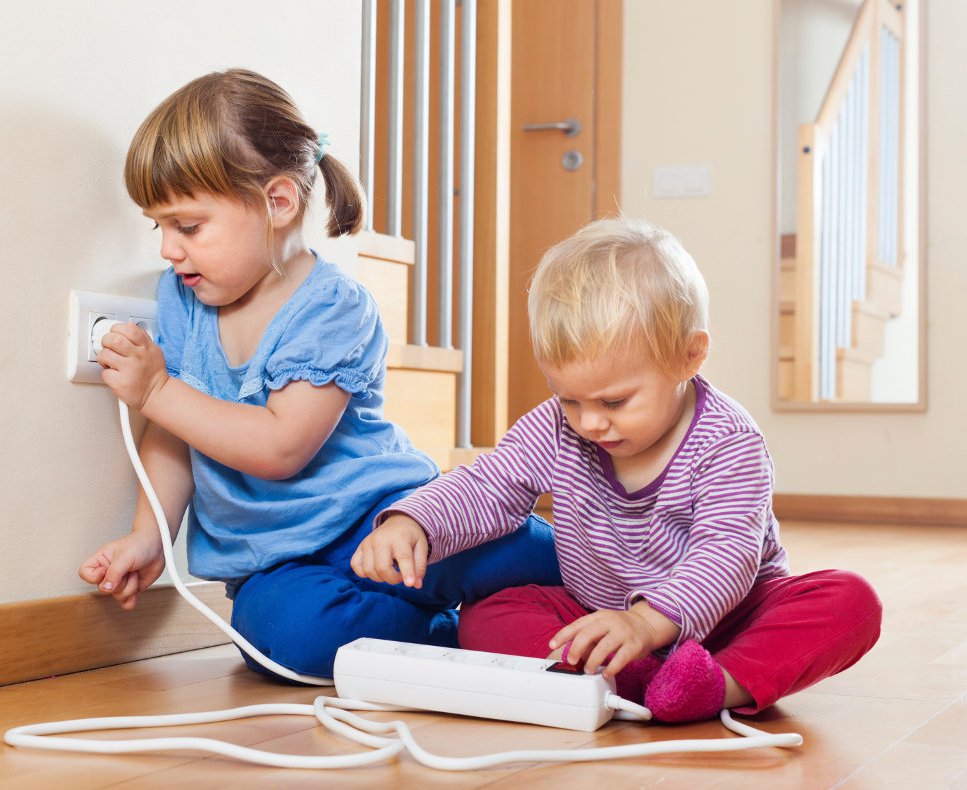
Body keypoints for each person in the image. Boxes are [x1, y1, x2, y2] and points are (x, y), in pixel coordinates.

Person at [78, 68, 560, 681]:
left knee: (530, 552)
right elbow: (176, 432)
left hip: (386, 517)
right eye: (160, 227)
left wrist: (158, 390)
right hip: (279, 561)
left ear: (278, 202)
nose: (169, 249)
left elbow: (282, 447)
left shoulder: (333, 307)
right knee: (283, 640)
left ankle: (640, 604)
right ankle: (448, 632)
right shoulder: (181, 300)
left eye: (188, 226)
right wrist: (150, 535)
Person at [351, 216, 882, 722]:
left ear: (689, 357)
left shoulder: (728, 442)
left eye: (614, 401)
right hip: (603, 617)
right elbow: (489, 484)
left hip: (731, 619)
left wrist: (648, 622)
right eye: (569, 400)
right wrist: (414, 520)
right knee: (489, 612)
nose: (589, 423)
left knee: (851, 602)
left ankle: (715, 684)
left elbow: (728, 553)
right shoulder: (557, 428)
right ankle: (623, 677)